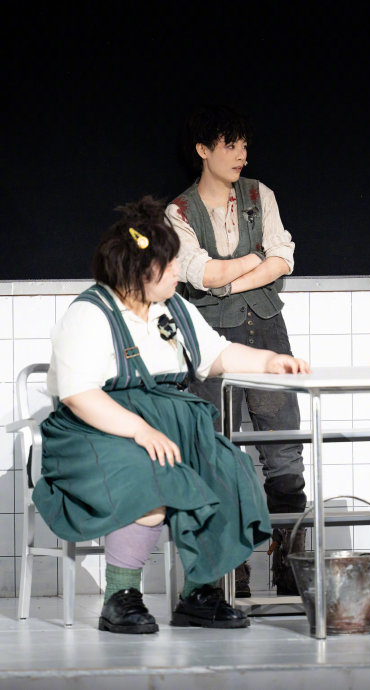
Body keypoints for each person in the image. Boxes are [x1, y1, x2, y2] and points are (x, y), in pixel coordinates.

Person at [32, 196, 310, 634]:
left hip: (166, 422)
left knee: (226, 468)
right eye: (172, 264)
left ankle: (199, 595)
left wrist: (268, 360)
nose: (180, 270)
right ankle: (120, 598)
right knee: (148, 472)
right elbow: (79, 394)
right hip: (94, 430)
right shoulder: (89, 313)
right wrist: (140, 431)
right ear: (141, 270)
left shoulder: (174, 308)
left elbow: (216, 354)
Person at [165, 105, 307, 596]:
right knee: (215, 450)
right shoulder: (179, 212)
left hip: (267, 330)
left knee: (284, 450)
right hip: (210, 339)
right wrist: (251, 261)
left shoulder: (258, 195)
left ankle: (289, 562)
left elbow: (283, 258)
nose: (241, 155)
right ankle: (230, 569)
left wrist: (229, 281)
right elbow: (200, 273)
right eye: (231, 145)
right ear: (203, 150)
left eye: (244, 145)